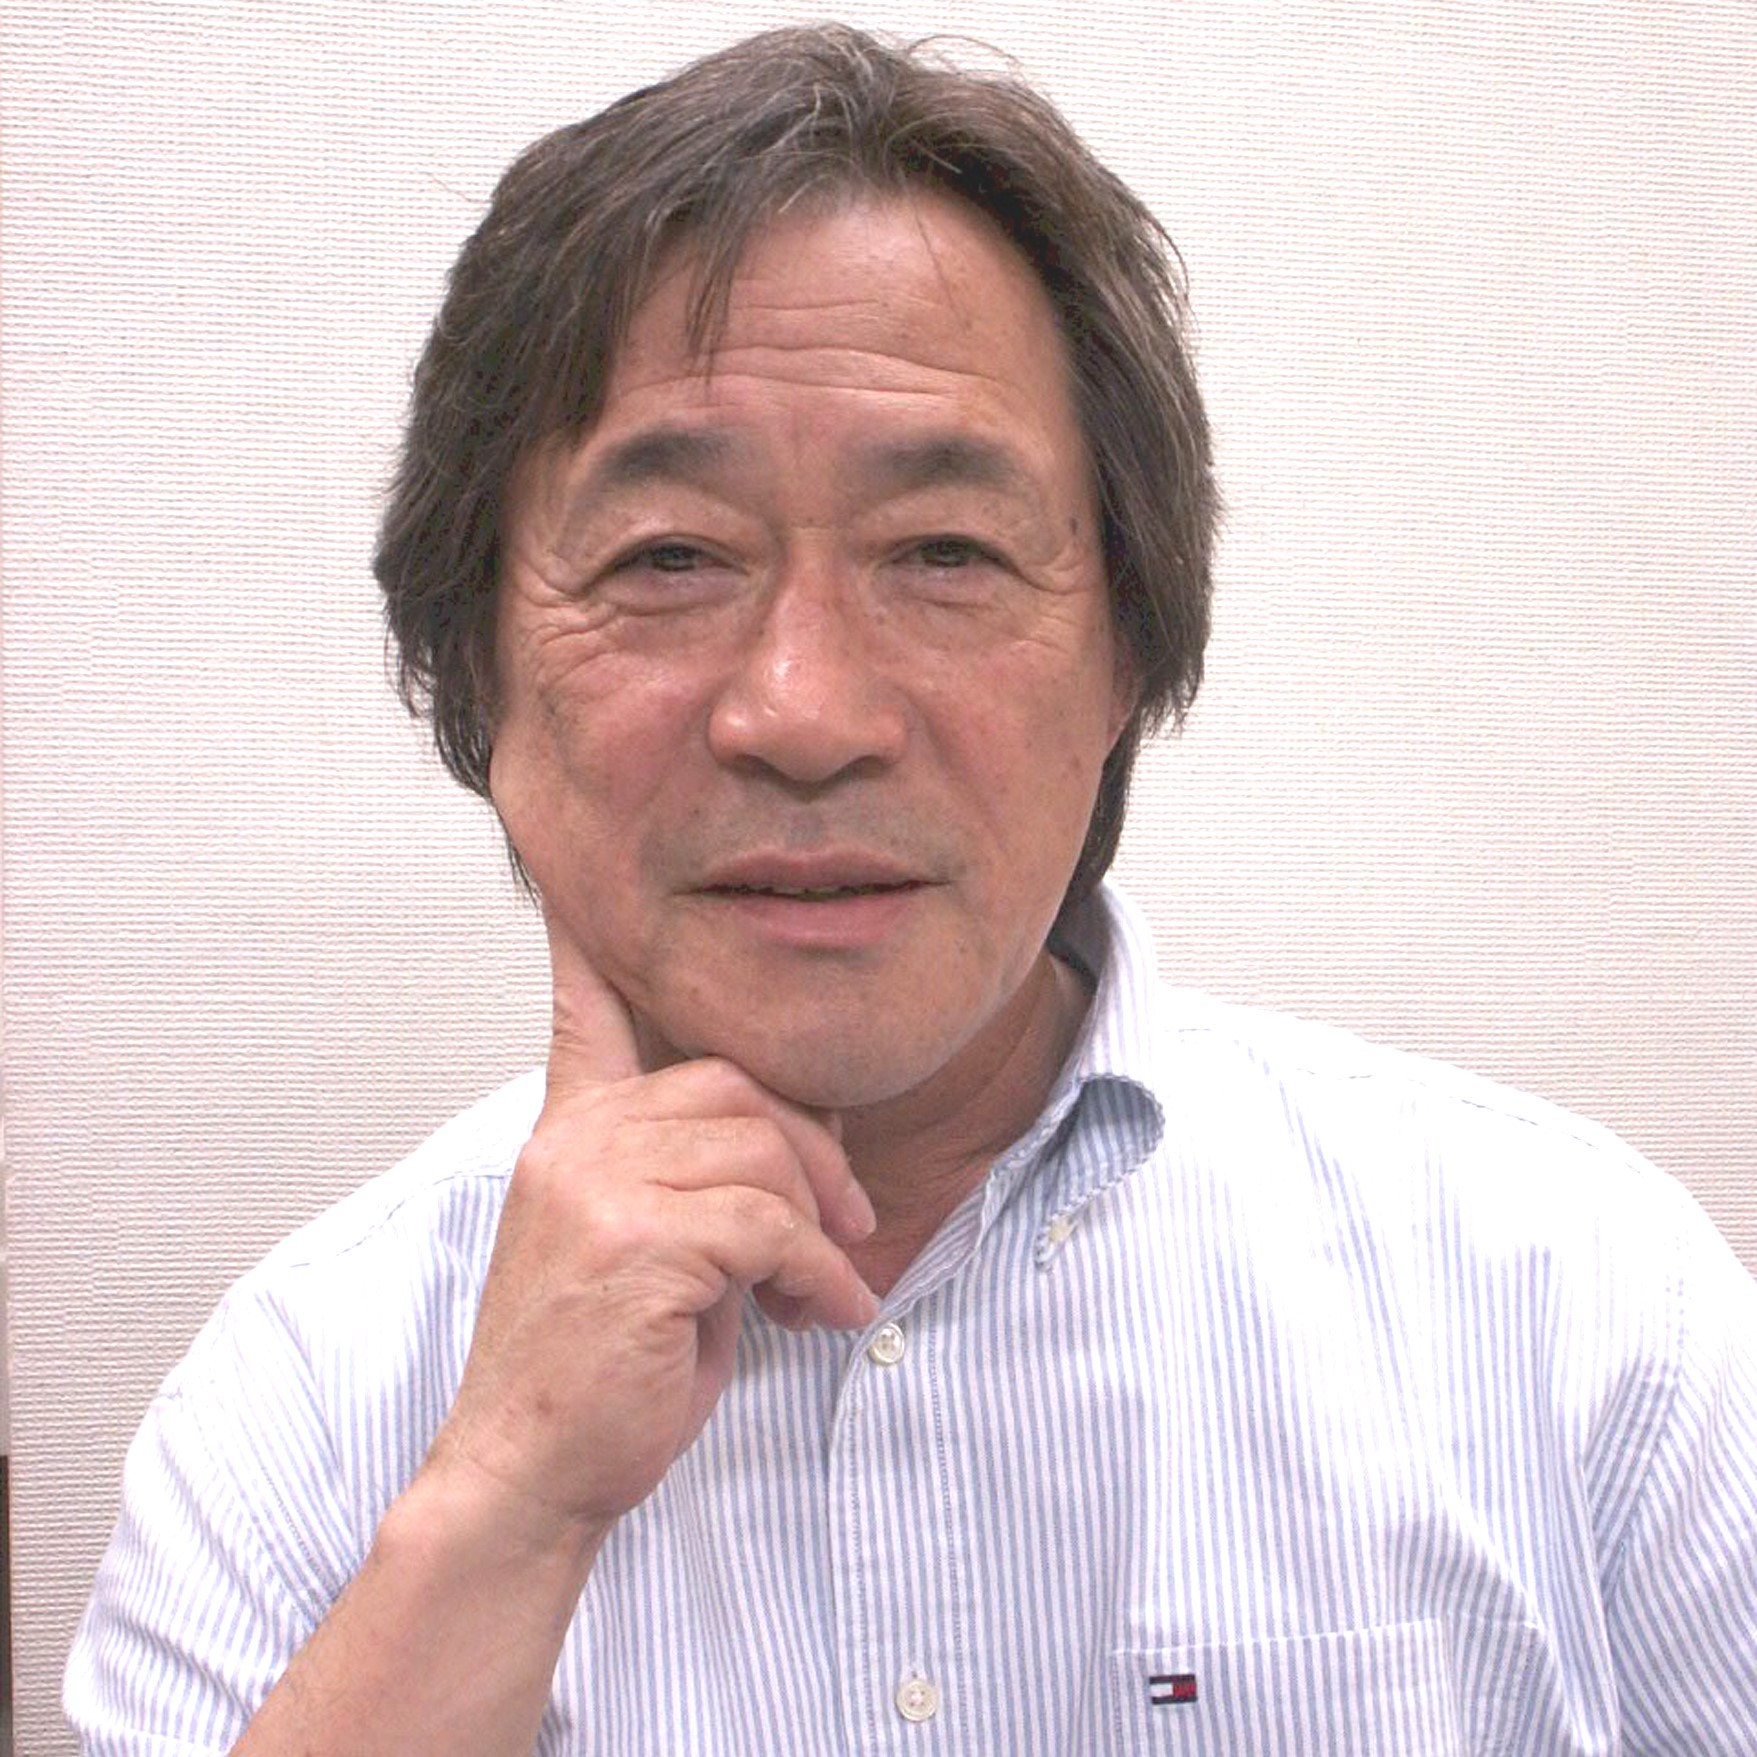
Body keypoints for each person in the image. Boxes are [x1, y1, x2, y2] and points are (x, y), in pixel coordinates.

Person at [66, 24, 1757, 1755]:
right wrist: (504, 1500)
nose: (804, 711)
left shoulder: (1579, 1316)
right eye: (668, 558)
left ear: (1128, 653)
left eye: (945, 553)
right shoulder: (295, 1413)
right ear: (480, 674)